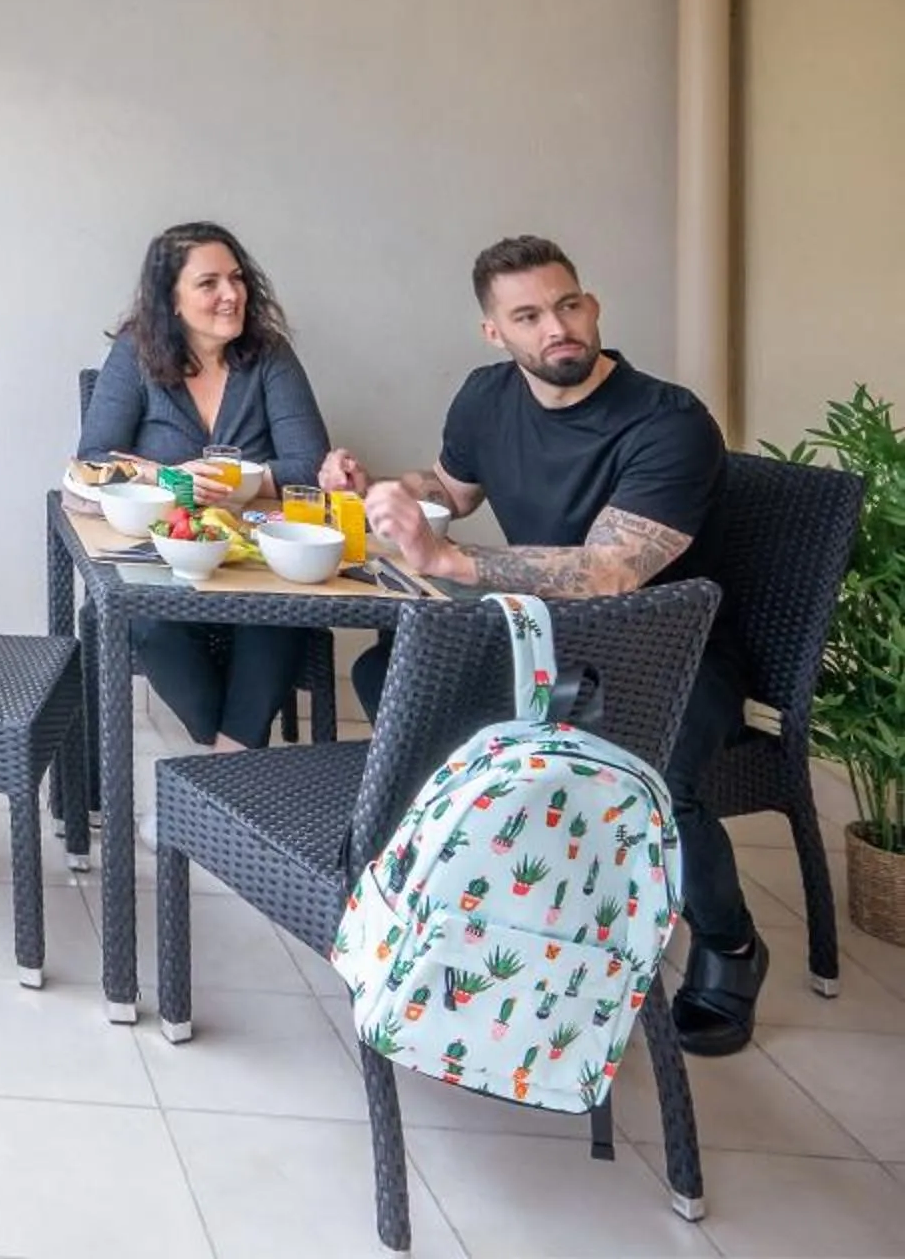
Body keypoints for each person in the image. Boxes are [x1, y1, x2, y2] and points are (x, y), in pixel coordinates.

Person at [321, 235, 759, 1056]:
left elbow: (615, 570)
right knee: (394, 675)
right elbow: (451, 487)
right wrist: (386, 491)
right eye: (528, 315)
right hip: (543, 638)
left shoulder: (670, 422)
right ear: (497, 333)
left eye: (568, 305)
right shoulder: (486, 398)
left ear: (590, 307)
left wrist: (450, 559)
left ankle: (729, 942)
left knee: (658, 770)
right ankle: (500, 886)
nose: (556, 327)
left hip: (669, 651)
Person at [79, 222, 331, 752]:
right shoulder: (136, 354)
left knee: (280, 616)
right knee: (149, 622)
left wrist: (242, 483)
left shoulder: (269, 356)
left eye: (237, 279)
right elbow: (93, 458)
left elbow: (310, 465)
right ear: (170, 299)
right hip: (167, 555)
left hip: (257, 560)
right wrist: (173, 477)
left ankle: (217, 770)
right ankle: (229, 767)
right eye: (209, 283)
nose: (231, 294)